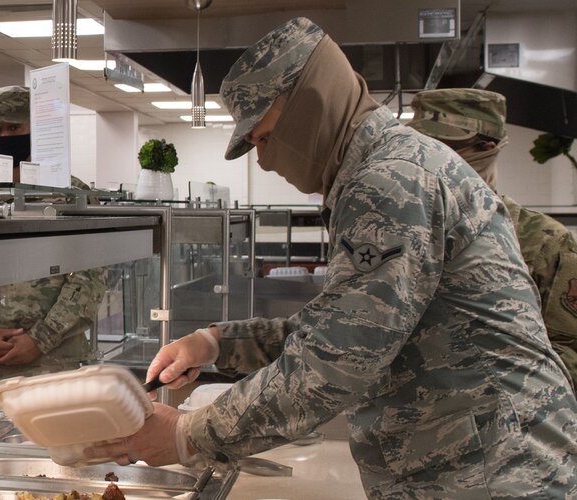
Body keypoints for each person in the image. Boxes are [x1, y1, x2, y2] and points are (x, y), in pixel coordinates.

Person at [86, 17, 577, 498]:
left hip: (491, 472)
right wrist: (214, 343)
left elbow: (336, 359)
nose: (264, 159)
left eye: (262, 136)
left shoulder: (387, 181)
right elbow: (337, 326)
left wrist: (185, 433)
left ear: (307, 104)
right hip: (471, 463)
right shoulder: (385, 165)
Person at [0, 86, 106, 405]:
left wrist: (40, 338)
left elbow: (91, 278)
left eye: (15, 128)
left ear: (35, 131)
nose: (4, 136)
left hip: (53, 364)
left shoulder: (71, 194)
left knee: (50, 453)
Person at [408, 88, 577, 390]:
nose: (423, 163)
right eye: (418, 149)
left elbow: (569, 352)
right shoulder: (405, 234)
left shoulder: (542, 241)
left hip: (509, 425)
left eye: (440, 148)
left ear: (486, 149)